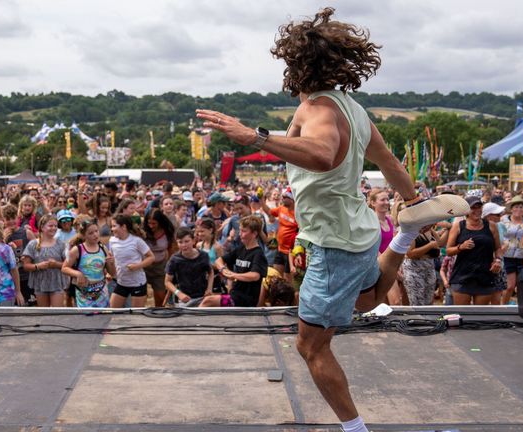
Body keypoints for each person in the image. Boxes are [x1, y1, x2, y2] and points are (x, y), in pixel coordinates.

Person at [196, 9, 468, 431]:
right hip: (359, 234)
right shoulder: (354, 109)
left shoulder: (317, 108)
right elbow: (392, 164)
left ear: (297, 64)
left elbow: (322, 154)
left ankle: (355, 429)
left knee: (311, 347)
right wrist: (415, 203)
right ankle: (404, 235)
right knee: (367, 301)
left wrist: (256, 137)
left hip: (332, 242)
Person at [200, 215, 268, 307]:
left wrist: (234, 275)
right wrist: (224, 270)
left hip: (245, 299)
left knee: (208, 301)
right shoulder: (241, 249)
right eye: (240, 230)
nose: (240, 234)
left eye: (244, 231)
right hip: (234, 295)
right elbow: (219, 260)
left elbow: (255, 276)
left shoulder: (258, 254)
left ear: (254, 233)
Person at [446, 196, 502, 305]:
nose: (477, 210)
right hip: (462, 277)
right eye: (473, 208)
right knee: (462, 315)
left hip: (485, 276)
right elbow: (448, 250)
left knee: (480, 316)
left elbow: (498, 248)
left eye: (479, 207)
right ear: (466, 210)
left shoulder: (491, 226)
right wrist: (461, 247)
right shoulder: (458, 226)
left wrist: (498, 260)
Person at [62, 219, 116, 308]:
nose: (95, 235)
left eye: (96, 231)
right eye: (90, 233)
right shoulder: (77, 250)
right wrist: (78, 274)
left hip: (101, 293)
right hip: (84, 294)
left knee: (103, 319)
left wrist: (111, 263)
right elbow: (64, 268)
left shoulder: (103, 249)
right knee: (86, 320)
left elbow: (112, 273)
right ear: (83, 235)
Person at [108, 215, 154, 308]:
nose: (112, 229)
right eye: (111, 226)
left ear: (124, 227)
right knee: (112, 310)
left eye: (114, 226)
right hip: (121, 282)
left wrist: (137, 266)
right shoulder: (112, 240)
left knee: (135, 314)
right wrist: (109, 270)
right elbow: (112, 257)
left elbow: (151, 257)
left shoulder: (137, 241)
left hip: (137, 283)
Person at [22, 215, 69, 307]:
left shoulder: (61, 244)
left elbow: (67, 265)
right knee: (44, 313)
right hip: (40, 283)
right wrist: (38, 266)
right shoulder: (33, 244)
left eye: (55, 226)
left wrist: (56, 264)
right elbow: (26, 266)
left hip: (57, 282)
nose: (54, 228)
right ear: (42, 227)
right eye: (50, 226)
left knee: (57, 313)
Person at [165, 227, 213, 307]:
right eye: (180, 242)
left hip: (202, 297)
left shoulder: (203, 256)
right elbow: (167, 282)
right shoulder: (175, 259)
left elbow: (210, 272)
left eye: (187, 241)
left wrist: (209, 288)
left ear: (193, 241)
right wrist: (178, 293)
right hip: (183, 299)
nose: (184, 245)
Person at [500, 196, 523, 304]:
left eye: (521, 207)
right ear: (511, 209)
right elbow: (499, 235)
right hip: (508, 255)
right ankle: (503, 308)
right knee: (510, 286)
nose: (519, 209)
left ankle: (521, 307)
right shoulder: (503, 219)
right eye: (516, 207)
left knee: (522, 286)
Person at [143, 209, 176, 307]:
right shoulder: (143, 231)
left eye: (154, 223)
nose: (151, 226)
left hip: (160, 267)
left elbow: (171, 249)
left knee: (160, 296)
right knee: (141, 295)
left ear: (160, 222)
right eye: (149, 223)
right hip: (143, 266)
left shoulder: (167, 231)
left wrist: (171, 265)